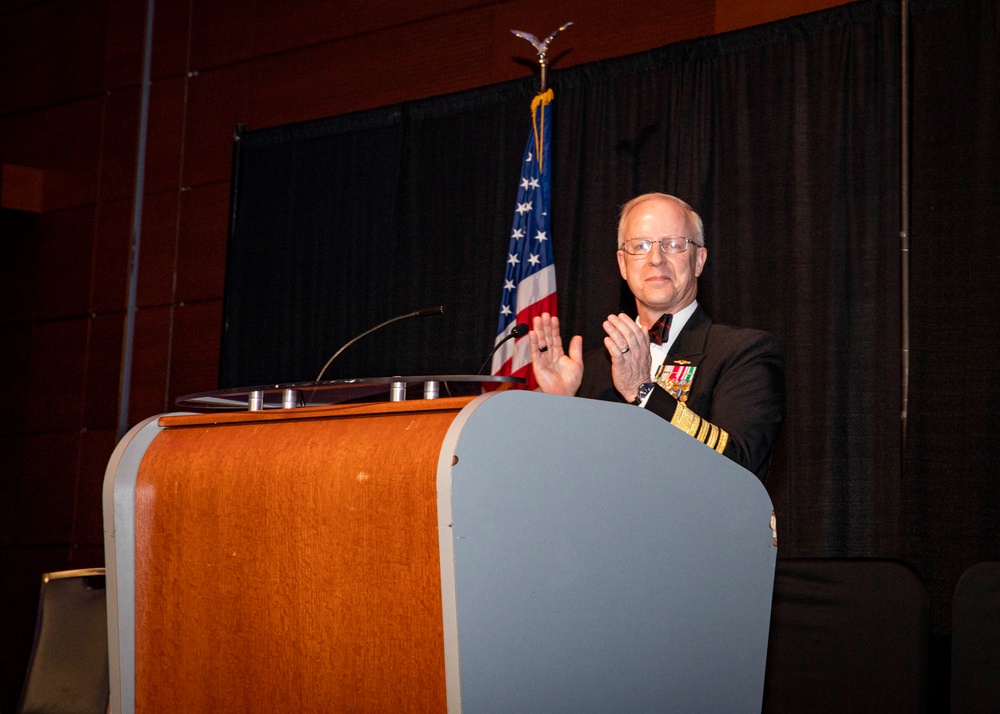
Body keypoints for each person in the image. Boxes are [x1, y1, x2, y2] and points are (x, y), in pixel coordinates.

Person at [528, 193, 784, 482]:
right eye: (640, 246)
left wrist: (643, 391)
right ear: (623, 265)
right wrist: (560, 407)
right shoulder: (588, 372)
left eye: (673, 245)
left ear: (699, 261)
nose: (656, 259)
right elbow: (559, 480)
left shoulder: (743, 353)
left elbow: (738, 462)